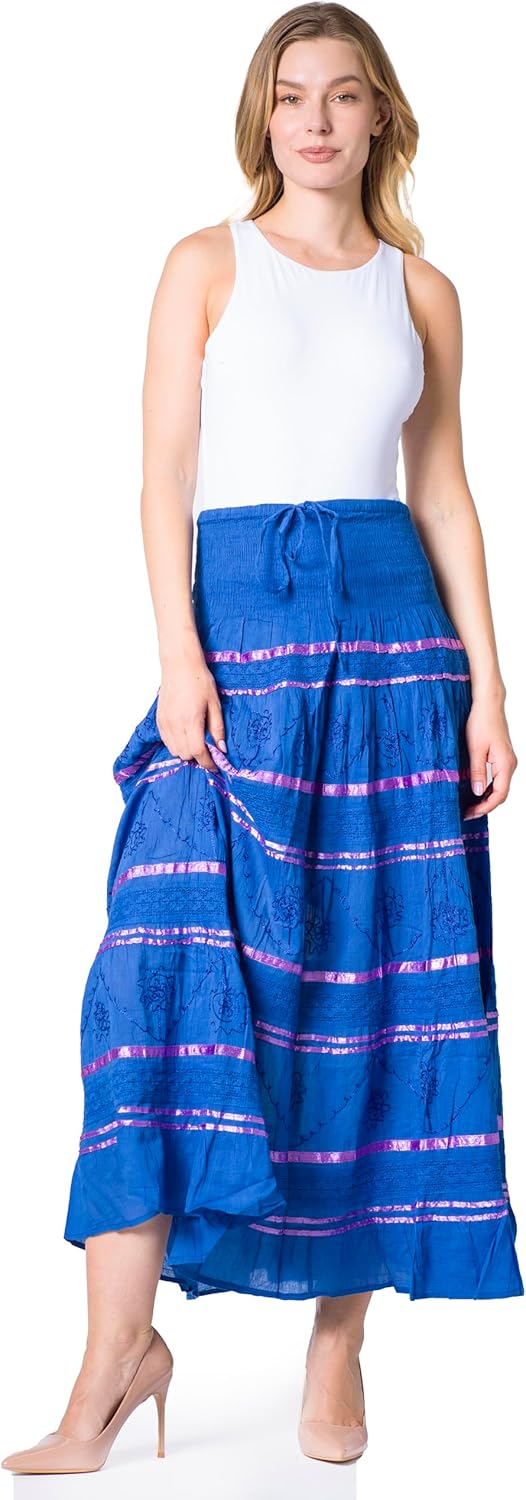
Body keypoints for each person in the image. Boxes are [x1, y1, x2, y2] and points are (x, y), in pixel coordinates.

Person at [3, 1, 523, 1478]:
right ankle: (113, 1366)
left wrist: (489, 687)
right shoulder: (204, 264)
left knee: (373, 990)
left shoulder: (424, 292)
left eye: (342, 95)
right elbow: (162, 472)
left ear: (379, 117)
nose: (314, 120)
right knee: (150, 989)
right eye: (290, 96)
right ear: (263, 117)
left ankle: (338, 1348)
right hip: (234, 658)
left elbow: (442, 488)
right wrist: (178, 656)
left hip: (394, 670)